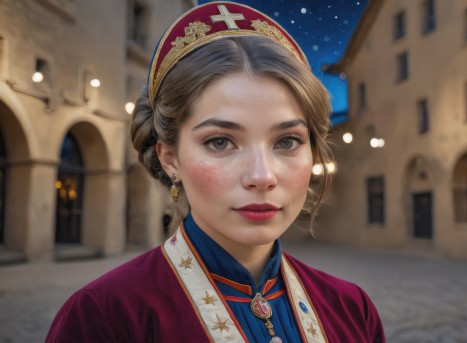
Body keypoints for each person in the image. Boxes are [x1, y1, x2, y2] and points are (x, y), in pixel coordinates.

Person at [46, 2, 385, 342]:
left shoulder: (352, 309)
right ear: (170, 158)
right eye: (221, 142)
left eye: (287, 141)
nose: (262, 176)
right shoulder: (105, 319)